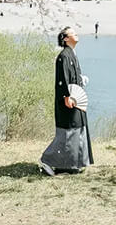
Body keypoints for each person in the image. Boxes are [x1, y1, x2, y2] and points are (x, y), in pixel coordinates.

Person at [39, 26, 93, 176]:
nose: (77, 34)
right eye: (73, 33)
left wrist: (81, 80)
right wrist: (66, 97)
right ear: (65, 38)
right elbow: (62, 79)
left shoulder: (72, 54)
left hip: (75, 99)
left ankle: (71, 165)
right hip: (68, 100)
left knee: (77, 130)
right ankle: (47, 160)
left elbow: (73, 76)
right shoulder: (64, 56)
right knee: (67, 133)